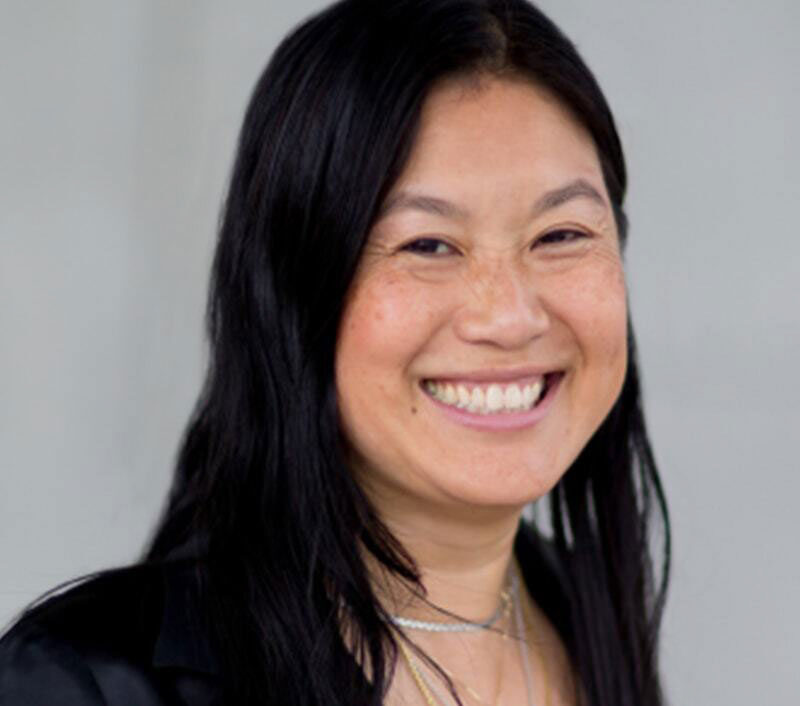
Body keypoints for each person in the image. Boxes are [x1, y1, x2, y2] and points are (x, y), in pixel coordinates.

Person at [0, 1, 670, 704]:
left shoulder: (586, 624)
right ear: (291, 293)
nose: (509, 316)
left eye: (561, 234)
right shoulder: (80, 684)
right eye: (428, 245)